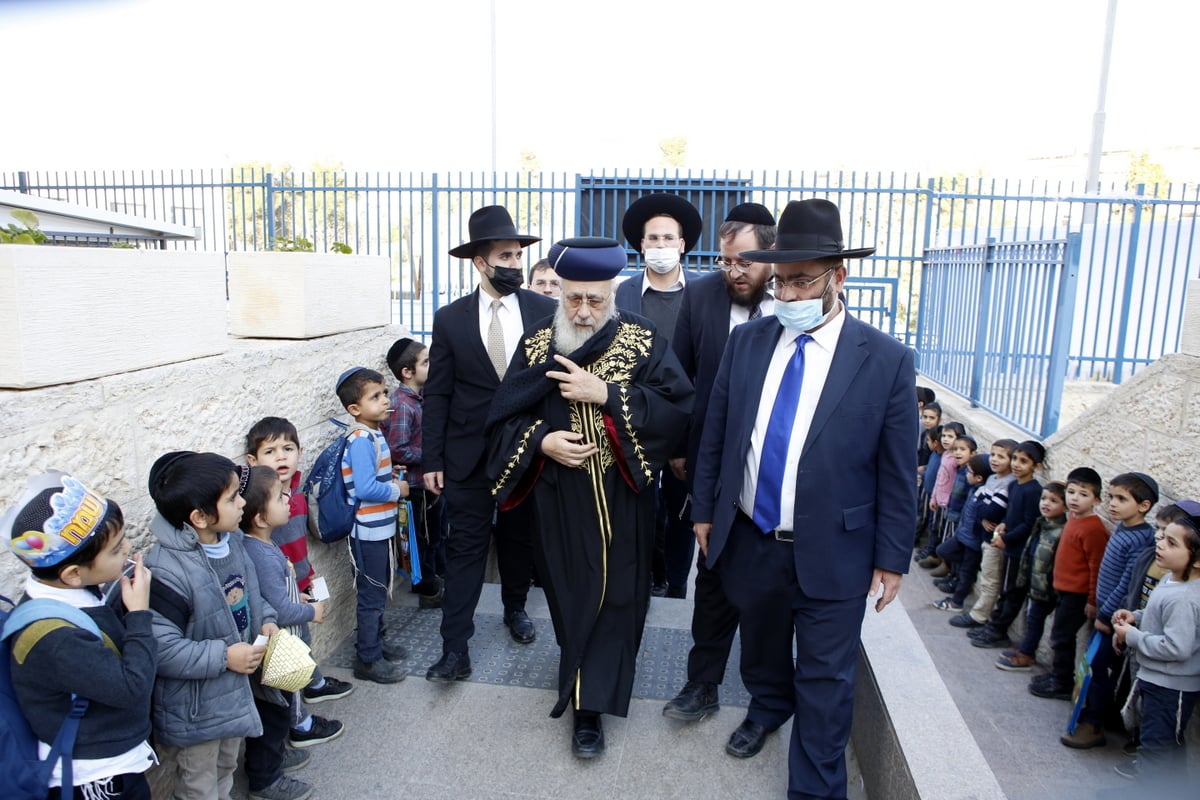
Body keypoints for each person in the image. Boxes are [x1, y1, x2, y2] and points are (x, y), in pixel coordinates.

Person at [689, 198, 916, 799]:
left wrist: (892, 557)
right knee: (761, 651)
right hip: (750, 539)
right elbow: (718, 432)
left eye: (802, 281)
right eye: (781, 282)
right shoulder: (749, 343)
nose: (787, 295)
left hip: (835, 551)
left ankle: (814, 791)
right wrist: (706, 511)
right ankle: (766, 707)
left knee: (826, 681)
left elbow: (898, 472)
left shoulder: (886, 361)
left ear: (838, 277)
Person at [485, 236, 693, 758]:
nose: (581, 310)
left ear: (613, 294)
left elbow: (677, 409)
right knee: (571, 597)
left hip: (624, 502)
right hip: (558, 501)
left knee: (621, 601)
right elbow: (504, 417)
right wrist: (542, 441)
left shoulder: (644, 342)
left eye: (594, 300)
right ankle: (584, 695)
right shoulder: (537, 345)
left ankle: (591, 710)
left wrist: (608, 395)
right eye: (571, 298)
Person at [423, 206, 556, 681]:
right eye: (505, 256)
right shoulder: (450, 318)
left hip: (527, 451)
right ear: (480, 262)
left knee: (520, 539)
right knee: (465, 549)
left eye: (519, 256)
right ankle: (454, 649)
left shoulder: (545, 311)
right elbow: (437, 392)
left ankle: (515, 608)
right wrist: (432, 458)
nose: (516, 265)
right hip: (466, 456)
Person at [663, 202, 776, 721]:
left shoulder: (796, 300)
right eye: (727, 262)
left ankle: (766, 699)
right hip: (711, 464)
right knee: (712, 578)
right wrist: (682, 449)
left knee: (769, 594)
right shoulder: (702, 295)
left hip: (774, 470)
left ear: (772, 256)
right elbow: (680, 378)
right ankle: (701, 684)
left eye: (745, 263)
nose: (733, 273)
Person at [143, 452, 304, 800]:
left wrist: (268, 622)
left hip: (234, 694)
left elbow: (252, 594)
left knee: (225, 768)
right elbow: (163, 649)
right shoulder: (167, 571)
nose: (243, 502)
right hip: (197, 709)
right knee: (199, 785)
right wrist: (224, 656)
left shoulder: (231, 543)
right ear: (200, 517)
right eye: (232, 498)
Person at [2, 471, 158, 800]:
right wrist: (140, 615)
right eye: (116, 549)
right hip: (95, 777)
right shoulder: (55, 639)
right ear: (73, 574)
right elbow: (132, 687)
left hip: (109, 757)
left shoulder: (74, 593)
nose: (128, 548)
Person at [614, 192, 703, 599]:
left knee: (682, 510)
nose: (661, 246)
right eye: (654, 238)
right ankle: (646, 578)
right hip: (635, 424)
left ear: (683, 244)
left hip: (688, 427)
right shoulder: (622, 295)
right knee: (640, 510)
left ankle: (677, 583)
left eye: (670, 238)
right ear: (641, 245)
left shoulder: (703, 295)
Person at [245, 417, 355, 706]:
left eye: (288, 448)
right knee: (292, 646)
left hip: (304, 579)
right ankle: (300, 709)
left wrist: (311, 578)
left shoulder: (296, 490)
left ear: (300, 452)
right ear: (252, 460)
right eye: (270, 451)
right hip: (282, 592)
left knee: (304, 638)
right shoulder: (261, 504)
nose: (281, 456)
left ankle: (314, 682)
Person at [238, 466, 345, 752]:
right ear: (260, 518)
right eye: (279, 497)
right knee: (289, 690)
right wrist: (313, 612)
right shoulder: (259, 553)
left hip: (287, 639)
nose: (288, 499)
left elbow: (278, 593)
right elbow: (280, 610)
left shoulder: (263, 544)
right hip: (281, 645)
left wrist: (298, 597)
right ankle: (301, 728)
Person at [1062, 471, 1159, 749]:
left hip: (1114, 619)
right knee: (1093, 667)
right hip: (1105, 614)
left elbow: (1127, 584)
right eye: (1112, 497)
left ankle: (1094, 725)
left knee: (1100, 670)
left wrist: (1106, 615)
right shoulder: (1123, 527)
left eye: (1121, 499)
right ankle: (1093, 715)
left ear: (1144, 506)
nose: (1112, 504)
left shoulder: (1141, 538)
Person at [1111, 513, 1200, 790]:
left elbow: (1177, 647)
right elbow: (1158, 616)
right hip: (1157, 680)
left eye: (1172, 543)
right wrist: (1136, 617)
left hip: (1171, 687)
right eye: (1162, 537)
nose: (1160, 544)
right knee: (1163, 746)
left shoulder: (1186, 597)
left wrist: (1132, 636)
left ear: (1196, 559)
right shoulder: (1172, 580)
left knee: (1156, 750)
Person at [335, 366, 410, 685]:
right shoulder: (362, 439)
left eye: (384, 394)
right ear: (355, 409)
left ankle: (376, 643)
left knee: (378, 591)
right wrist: (397, 490)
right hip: (367, 533)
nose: (384, 401)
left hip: (379, 529)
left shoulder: (373, 433)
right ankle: (367, 658)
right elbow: (365, 489)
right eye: (375, 397)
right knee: (372, 595)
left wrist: (388, 478)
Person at [1030, 466, 1108, 699]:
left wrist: (1092, 600)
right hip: (1062, 590)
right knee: (1058, 635)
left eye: (1084, 495)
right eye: (1071, 492)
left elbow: (1096, 566)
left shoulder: (1094, 529)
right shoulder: (1072, 519)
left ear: (1097, 499)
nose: (1075, 498)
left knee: (1062, 637)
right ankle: (1057, 674)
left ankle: (1061, 681)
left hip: (1078, 595)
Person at [382, 336, 444, 607]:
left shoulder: (420, 398)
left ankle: (433, 580)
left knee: (433, 536)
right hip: (416, 488)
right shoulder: (402, 406)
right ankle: (427, 589)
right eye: (426, 362)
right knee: (420, 540)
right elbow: (399, 449)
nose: (433, 366)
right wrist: (434, 457)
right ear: (407, 372)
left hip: (428, 485)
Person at [969, 440, 1047, 649]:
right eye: (1015, 459)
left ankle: (999, 631)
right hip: (1007, 544)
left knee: (1012, 592)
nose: (1016, 464)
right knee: (1004, 589)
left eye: (1024, 461)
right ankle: (994, 626)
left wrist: (1007, 538)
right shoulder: (1014, 485)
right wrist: (1003, 525)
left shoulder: (1033, 490)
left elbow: (1029, 524)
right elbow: (1010, 516)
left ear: (1036, 466)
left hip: (1017, 550)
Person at [994, 481, 1068, 670]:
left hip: (1046, 588)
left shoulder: (1062, 531)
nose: (1046, 504)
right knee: (1031, 617)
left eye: (1054, 501)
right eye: (1044, 499)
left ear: (1065, 506)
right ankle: (1026, 648)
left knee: (1036, 619)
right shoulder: (1042, 523)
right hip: (1033, 582)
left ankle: (1027, 655)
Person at [949, 438, 1017, 629]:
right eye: (993, 455)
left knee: (989, 581)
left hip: (994, 541)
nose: (994, 459)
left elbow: (990, 511)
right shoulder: (992, 479)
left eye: (1001, 456)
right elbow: (979, 506)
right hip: (983, 537)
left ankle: (979, 616)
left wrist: (984, 508)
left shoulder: (1007, 484)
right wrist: (983, 511)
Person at [931, 453, 992, 610]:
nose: (966, 473)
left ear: (979, 477)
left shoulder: (984, 494)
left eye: (970, 471)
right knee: (943, 551)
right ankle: (954, 577)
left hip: (972, 541)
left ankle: (956, 601)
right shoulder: (974, 489)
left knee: (967, 573)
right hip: (962, 535)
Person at [916, 421, 965, 568]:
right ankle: (931, 552)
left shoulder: (956, 460)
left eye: (950, 436)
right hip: (937, 499)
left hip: (947, 503)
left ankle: (938, 558)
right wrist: (934, 497)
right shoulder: (945, 455)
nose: (945, 439)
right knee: (934, 526)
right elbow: (939, 479)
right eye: (944, 435)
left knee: (943, 531)